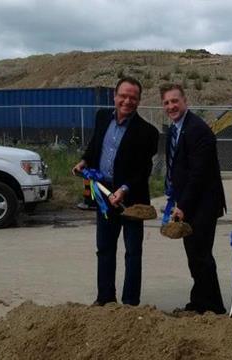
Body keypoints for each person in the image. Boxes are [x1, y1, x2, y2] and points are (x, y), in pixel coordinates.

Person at [72, 77, 159, 306]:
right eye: (123, 96)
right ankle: (105, 300)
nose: (127, 101)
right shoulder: (102, 118)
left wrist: (124, 189)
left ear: (139, 100)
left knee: (132, 253)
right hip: (103, 193)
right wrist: (84, 161)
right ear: (115, 96)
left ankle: (130, 302)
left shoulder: (148, 132)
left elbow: (144, 169)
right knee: (105, 249)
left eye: (133, 97)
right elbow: (95, 146)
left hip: (131, 199)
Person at [160, 83, 226, 314]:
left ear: (185, 101)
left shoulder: (198, 129)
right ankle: (199, 303)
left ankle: (213, 307)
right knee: (194, 255)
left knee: (201, 255)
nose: (171, 106)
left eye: (175, 101)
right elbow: (176, 168)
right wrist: (172, 196)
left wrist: (183, 206)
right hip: (188, 202)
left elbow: (198, 174)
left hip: (204, 204)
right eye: (167, 102)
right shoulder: (175, 129)